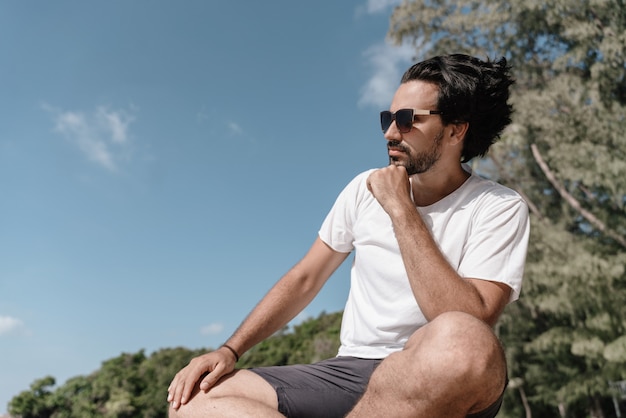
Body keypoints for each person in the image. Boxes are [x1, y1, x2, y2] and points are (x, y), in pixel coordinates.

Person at [167, 53, 530, 418]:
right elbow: (305, 278)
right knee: (195, 401)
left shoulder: (498, 206)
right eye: (388, 118)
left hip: (435, 373)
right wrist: (229, 351)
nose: (390, 133)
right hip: (348, 373)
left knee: (465, 340)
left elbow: (469, 319)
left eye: (407, 120)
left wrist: (401, 209)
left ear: (455, 130)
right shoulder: (361, 188)